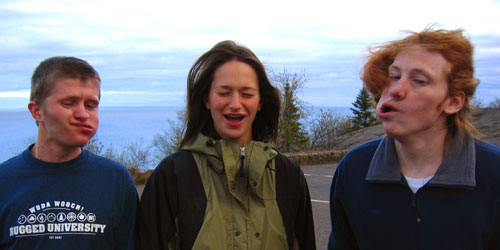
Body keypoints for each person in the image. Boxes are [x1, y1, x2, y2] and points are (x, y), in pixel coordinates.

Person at [329, 27, 500, 250]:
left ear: (453, 102)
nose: (396, 90)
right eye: (394, 76)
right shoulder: (354, 168)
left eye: (419, 80)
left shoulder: (493, 173)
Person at [136, 40, 316, 249]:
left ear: (260, 102)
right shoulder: (173, 175)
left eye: (247, 94)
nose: (235, 104)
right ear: (207, 99)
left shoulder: (288, 176)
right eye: (224, 93)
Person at [0, 56, 138, 249]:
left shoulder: (116, 180)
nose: (83, 114)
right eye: (69, 103)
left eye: (91, 105)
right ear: (37, 111)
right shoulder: (4, 181)